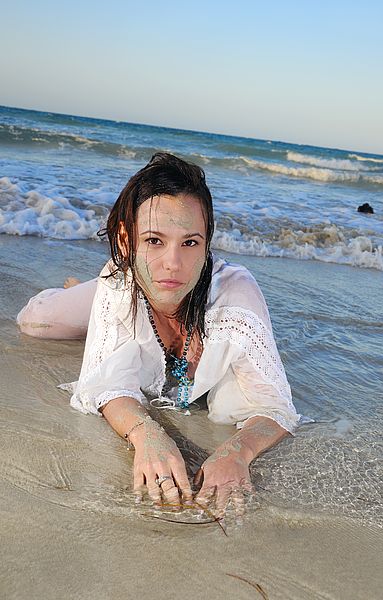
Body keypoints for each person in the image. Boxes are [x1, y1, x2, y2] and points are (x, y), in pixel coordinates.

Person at [17, 152, 300, 517]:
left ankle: (97, 303)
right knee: (37, 323)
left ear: (207, 244)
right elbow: (104, 385)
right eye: (153, 240)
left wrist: (235, 454)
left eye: (190, 242)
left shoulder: (236, 299)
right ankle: (80, 291)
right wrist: (147, 434)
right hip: (125, 285)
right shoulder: (119, 283)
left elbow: (275, 407)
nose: (173, 263)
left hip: (144, 291)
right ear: (125, 239)